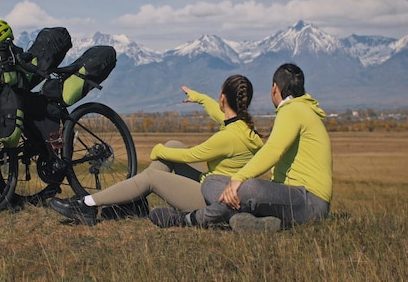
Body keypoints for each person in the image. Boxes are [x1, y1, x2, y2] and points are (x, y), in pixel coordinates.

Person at [49, 74, 263, 226]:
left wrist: (158, 150)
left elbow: (191, 156)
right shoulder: (243, 128)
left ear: (223, 98)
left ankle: (87, 205)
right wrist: (200, 98)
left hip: (212, 199)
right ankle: (134, 201)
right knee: (174, 145)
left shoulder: (228, 137)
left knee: (154, 172)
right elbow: (219, 114)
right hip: (219, 189)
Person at [217, 63, 333, 233]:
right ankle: (265, 223)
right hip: (304, 200)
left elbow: (273, 150)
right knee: (219, 183)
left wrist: (238, 178)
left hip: (310, 202)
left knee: (247, 188)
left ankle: (200, 216)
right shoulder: (302, 109)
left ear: (274, 88)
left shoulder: (292, 110)